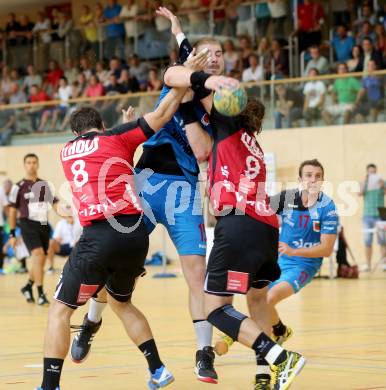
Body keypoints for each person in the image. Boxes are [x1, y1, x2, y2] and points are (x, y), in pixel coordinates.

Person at [70, 11, 219, 383]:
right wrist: (179, 31)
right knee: (112, 260)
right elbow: (179, 66)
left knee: (196, 275)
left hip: (184, 190)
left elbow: (205, 153)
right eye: (207, 53)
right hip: (146, 184)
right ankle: (91, 322)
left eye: (219, 54)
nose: (214, 57)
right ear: (195, 60)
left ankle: (204, 351)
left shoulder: (215, 108)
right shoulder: (177, 81)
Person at [34, 74, 195, 389]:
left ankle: (49, 386)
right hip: (135, 234)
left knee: (59, 311)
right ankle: (158, 369)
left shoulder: (66, 152)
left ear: (74, 132)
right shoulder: (117, 138)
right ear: (102, 124)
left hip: (99, 235)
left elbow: (102, 160)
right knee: (122, 303)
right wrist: (183, 86)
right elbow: (160, 117)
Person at [176, 67, 306, 390]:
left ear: (231, 108)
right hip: (265, 228)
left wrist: (183, 46)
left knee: (215, 309)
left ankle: (279, 357)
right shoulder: (256, 150)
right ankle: (266, 374)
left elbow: (195, 86)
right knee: (257, 301)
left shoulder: (227, 124)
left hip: (238, 225)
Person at [214, 159, 338, 387]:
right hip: (279, 259)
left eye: (317, 176)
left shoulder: (327, 207)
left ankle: (237, 336)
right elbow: (258, 210)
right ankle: (279, 331)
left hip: (304, 265)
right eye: (308, 175)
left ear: (322, 180)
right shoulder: (288, 197)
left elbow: (327, 249)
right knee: (257, 300)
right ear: (300, 179)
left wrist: (294, 250)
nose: (313, 179)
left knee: (268, 298)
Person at [8, 154, 58, 306]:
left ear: (38, 164)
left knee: (40, 260)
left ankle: (28, 286)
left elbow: (54, 204)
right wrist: (12, 233)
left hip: (43, 225)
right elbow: (12, 211)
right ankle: (41, 294)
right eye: (28, 162)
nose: (32, 165)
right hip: (27, 224)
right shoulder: (18, 186)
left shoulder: (45, 185)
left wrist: (65, 211)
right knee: (38, 254)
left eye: (34, 162)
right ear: (24, 165)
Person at [359, 163, 386, 272]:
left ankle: (384, 263)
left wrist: (383, 186)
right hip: (367, 214)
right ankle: (368, 264)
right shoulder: (364, 183)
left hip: (381, 213)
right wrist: (365, 183)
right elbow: (359, 193)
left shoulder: (382, 182)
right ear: (367, 172)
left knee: (383, 240)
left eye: (374, 172)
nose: (372, 174)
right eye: (370, 172)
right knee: (367, 241)